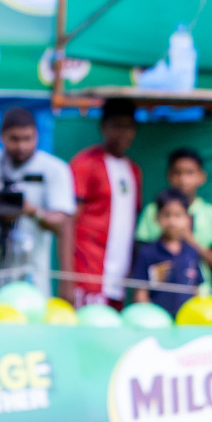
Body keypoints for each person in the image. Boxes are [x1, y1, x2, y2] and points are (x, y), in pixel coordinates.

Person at [0, 107, 75, 299]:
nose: (21, 146)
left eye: (27, 139)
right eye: (14, 139)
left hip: (26, 277)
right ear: (1, 137)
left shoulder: (55, 169)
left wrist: (30, 211)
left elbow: (62, 222)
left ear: (37, 136)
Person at [70, 98, 141, 307]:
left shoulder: (134, 170)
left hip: (119, 276)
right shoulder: (85, 164)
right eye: (117, 126)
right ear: (103, 127)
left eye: (129, 127)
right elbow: (69, 221)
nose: (123, 133)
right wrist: (68, 277)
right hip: (87, 272)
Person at [136, 147, 212, 283]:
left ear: (202, 176)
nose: (183, 179)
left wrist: (189, 238)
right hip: (158, 290)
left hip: (198, 292)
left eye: (190, 173)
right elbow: (140, 258)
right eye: (177, 173)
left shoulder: (211, 213)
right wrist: (167, 237)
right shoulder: (152, 210)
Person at [130, 189, 203, 316]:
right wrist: (151, 317)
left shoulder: (191, 252)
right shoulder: (147, 252)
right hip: (157, 321)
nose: (172, 221)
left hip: (185, 321)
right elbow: (141, 294)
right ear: (157, 217)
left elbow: (196, 291)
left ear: (188, 219)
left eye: (178, 215)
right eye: (166, 215)